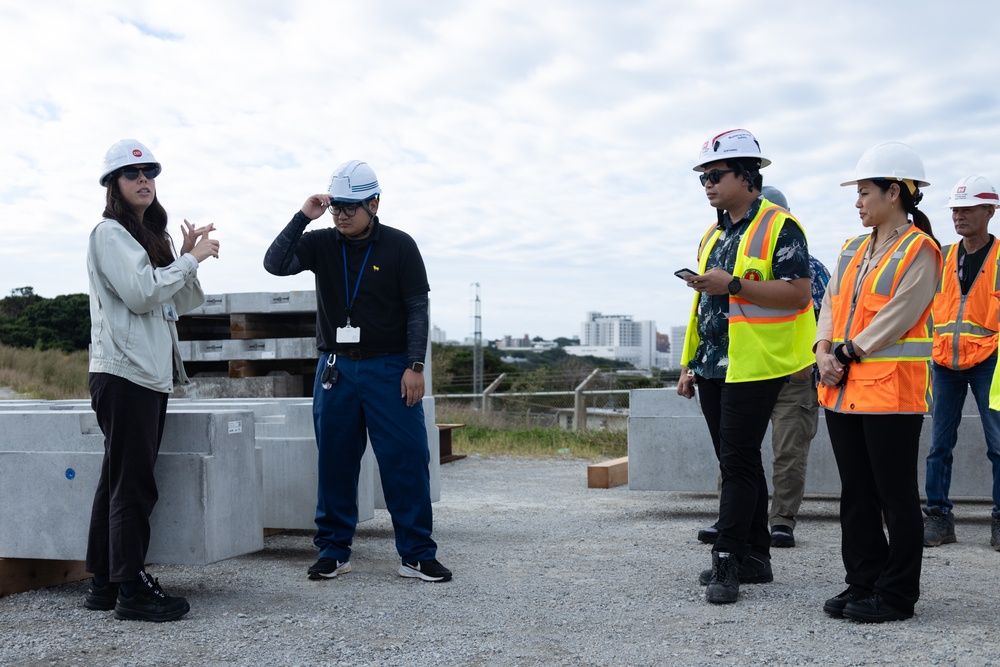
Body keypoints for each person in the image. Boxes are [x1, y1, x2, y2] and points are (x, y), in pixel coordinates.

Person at [263, 159, 451, 583]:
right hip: (336, 369)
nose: (342, 215)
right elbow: (275, 264)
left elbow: (417, 309)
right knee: (335, 460)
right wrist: (303, 215)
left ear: (375, 203)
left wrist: (415, 366)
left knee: (405, 460)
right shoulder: (321, 242)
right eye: (336, 207)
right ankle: (333, 550)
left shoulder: (401, 246)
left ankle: (417, 553)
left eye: (351, 207)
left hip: (390, 369)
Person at [677, 129, 816, 604]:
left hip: (757, 362)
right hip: (714, 364)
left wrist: (734, 283)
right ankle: (757, 558)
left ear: (746, 176)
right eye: (703, 179)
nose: (708, 186)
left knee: (737, 463)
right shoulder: (713, 233)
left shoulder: (781, 226)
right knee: (738, 461)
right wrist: (689, 363)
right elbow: (703, 308)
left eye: (714, 176)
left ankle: (728, 559)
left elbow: (800, 293)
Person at [84, 139, 219, 621]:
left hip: (141, 376)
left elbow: (177, 303)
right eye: (131, 174)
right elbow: (143, 294)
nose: (144, 180)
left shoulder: (143, 237)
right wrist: (191, 260)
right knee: (133, 484)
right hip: (126, 376)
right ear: (113, 185)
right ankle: (132, 588)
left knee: (118, 480)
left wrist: (180, 255)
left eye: (149, 173)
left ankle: (104, 579)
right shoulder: (110, 234)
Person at [816, 141, 942, 623]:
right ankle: (863, 581)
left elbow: (899, 315)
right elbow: (830, 303)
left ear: (895, 193)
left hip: (890, 392)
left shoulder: (921, 250)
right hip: (843, 389)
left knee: (896, 495)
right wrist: (822, 350)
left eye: (865, 192)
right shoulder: (852, 248)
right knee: (856, 493)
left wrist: (846, 352)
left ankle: (895, 595)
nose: (858, 201)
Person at [697, 186, 830, 550]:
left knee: (787, 451)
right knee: (739, 454)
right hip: (745, 364)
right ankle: (734, 525)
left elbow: (822, 317)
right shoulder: (727, 245)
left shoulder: (812, 269)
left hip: (792, 372)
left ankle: (781, 523)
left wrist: (811, 361)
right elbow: (711, 311)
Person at [925, 176, 1000, 551]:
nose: (959, 215)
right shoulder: (943, 257)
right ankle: (938, 517)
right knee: (939, 445)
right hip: (944, 362)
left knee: (999, 445)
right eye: (955, 209)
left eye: (967, 208)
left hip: (991, 361)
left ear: (990, 211)